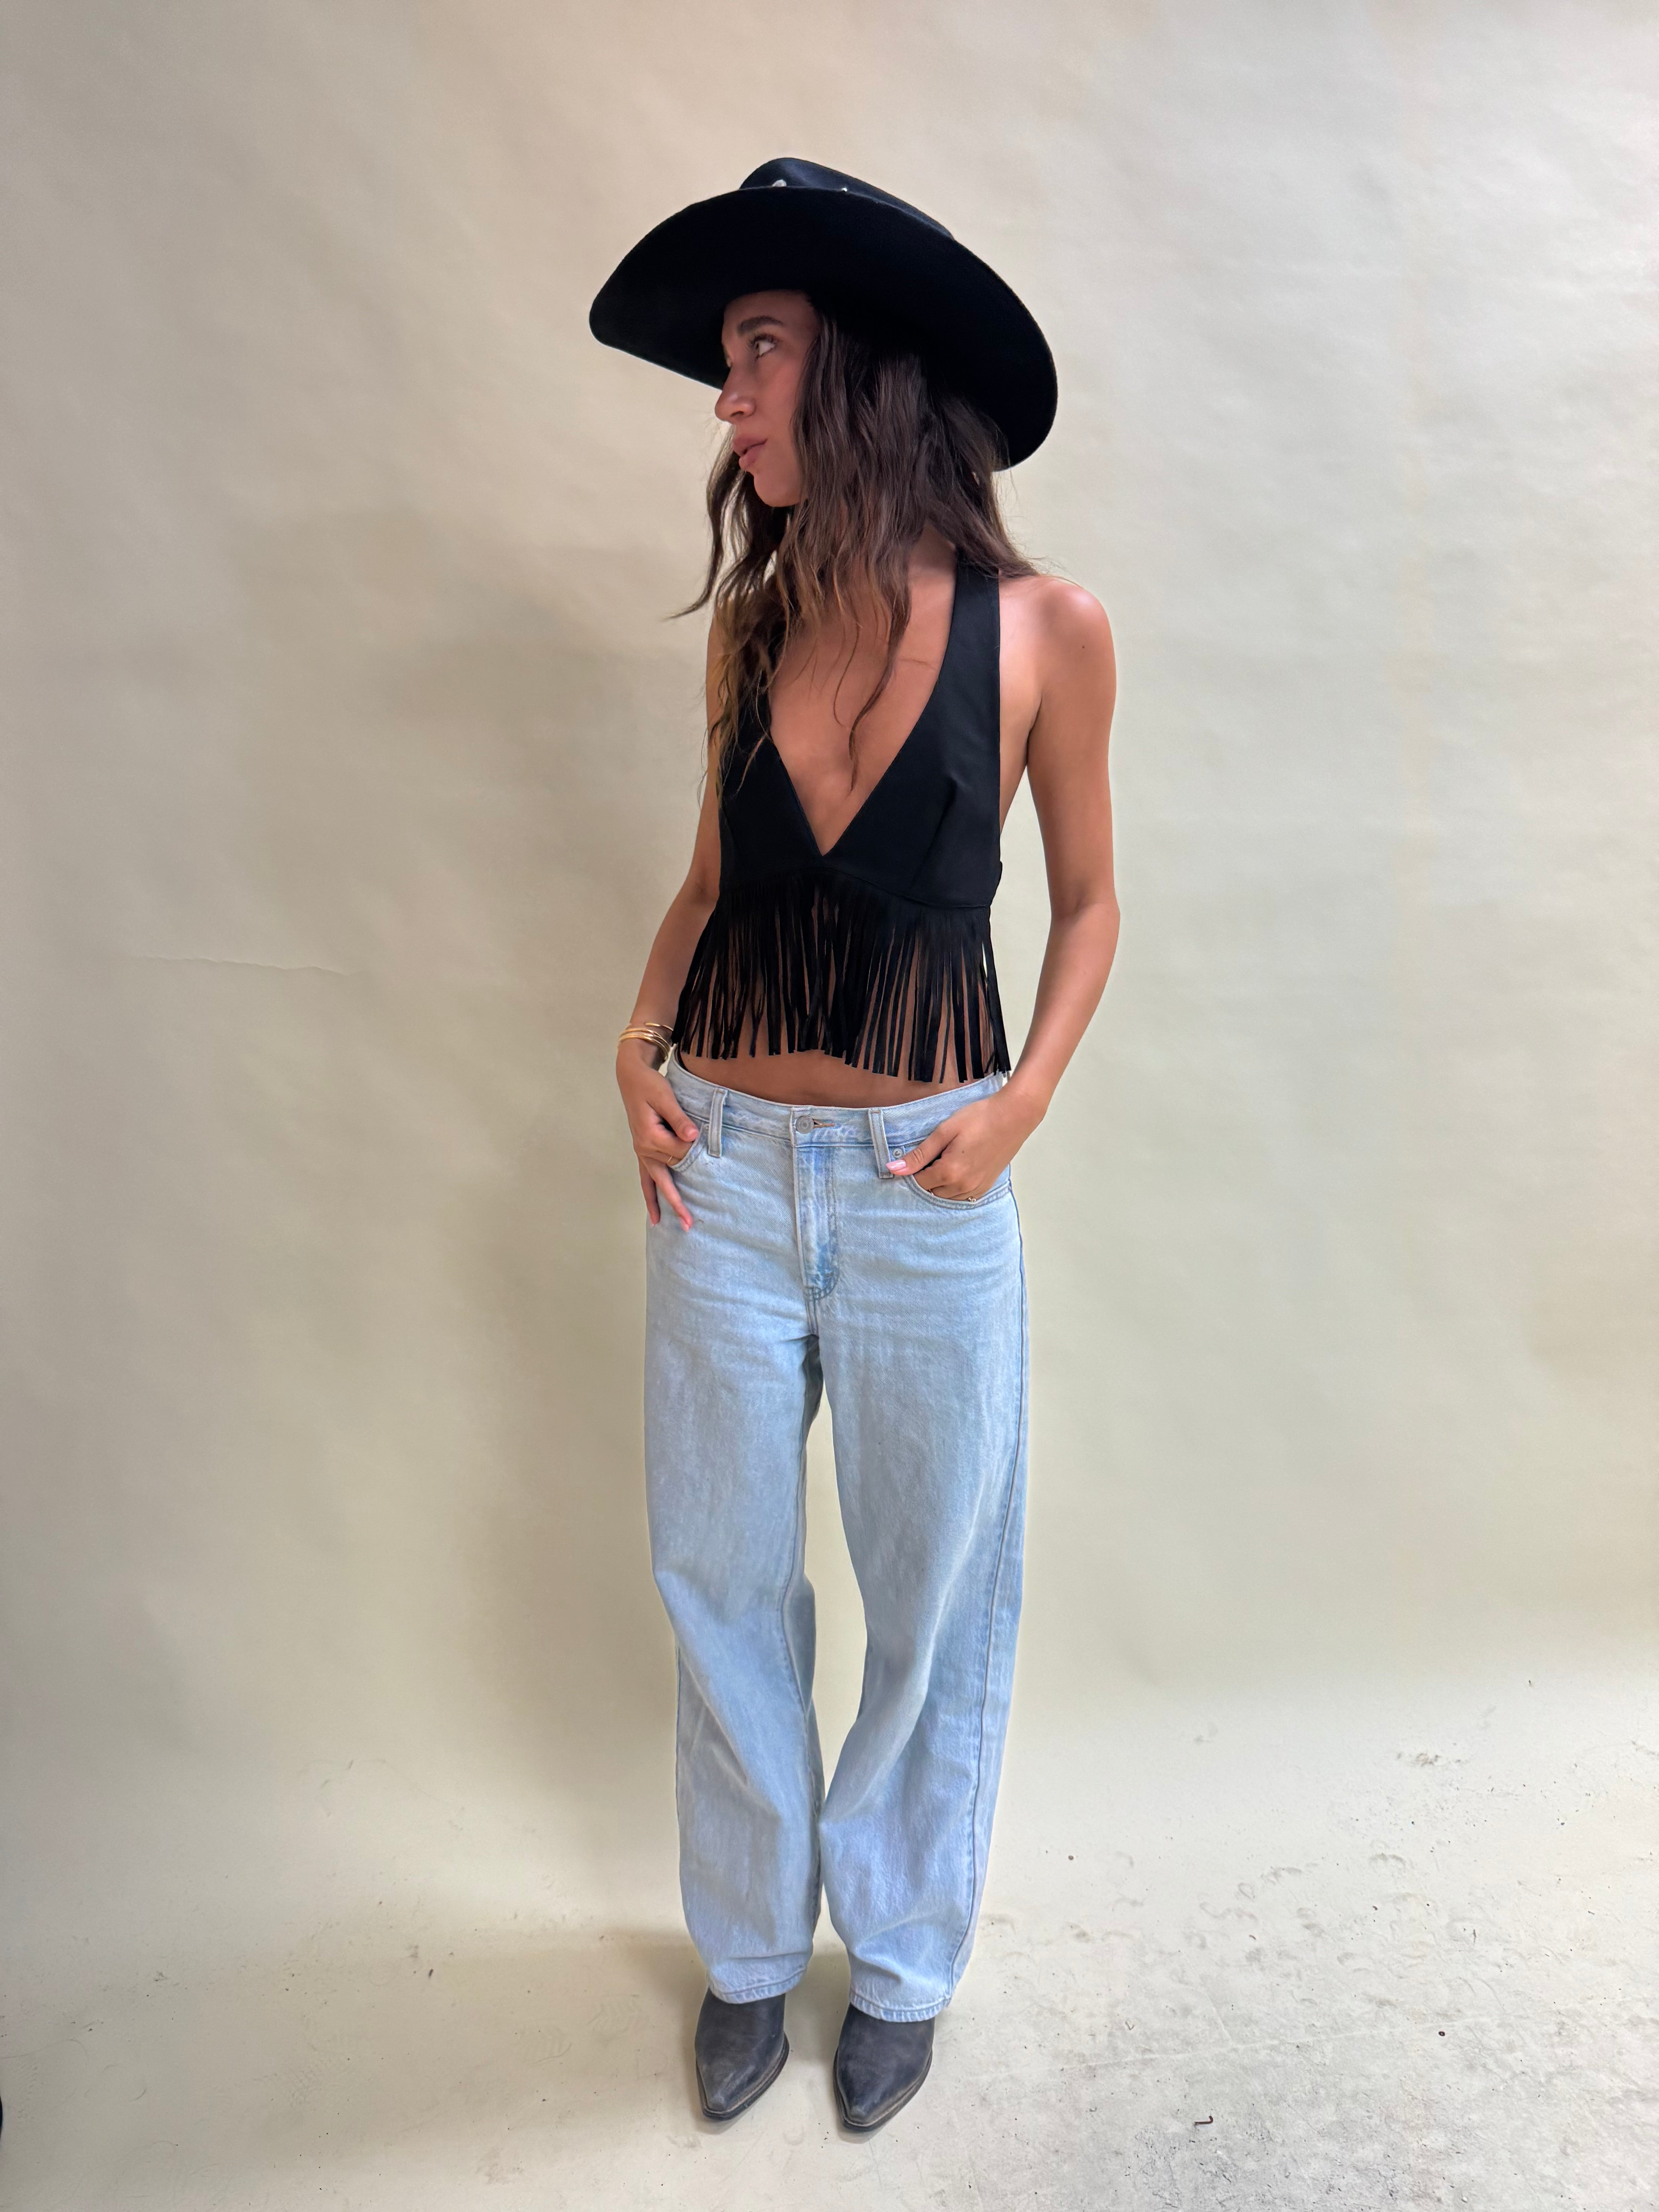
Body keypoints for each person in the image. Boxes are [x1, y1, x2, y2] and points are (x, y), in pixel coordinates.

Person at [589, 156, 1118, 2132]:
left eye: (757, 353)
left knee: (933, 1586)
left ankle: (897, 1959)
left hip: (925, 1187)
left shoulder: (1049, 630)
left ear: (868, 372)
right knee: (718, 1575)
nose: (727, 401)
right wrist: (633, 1046)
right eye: (726, 364)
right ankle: (747, 1955)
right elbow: (711, 885)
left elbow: (1092, 906)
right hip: (719, 1173)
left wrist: (1021, 1102)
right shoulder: (751, 628)